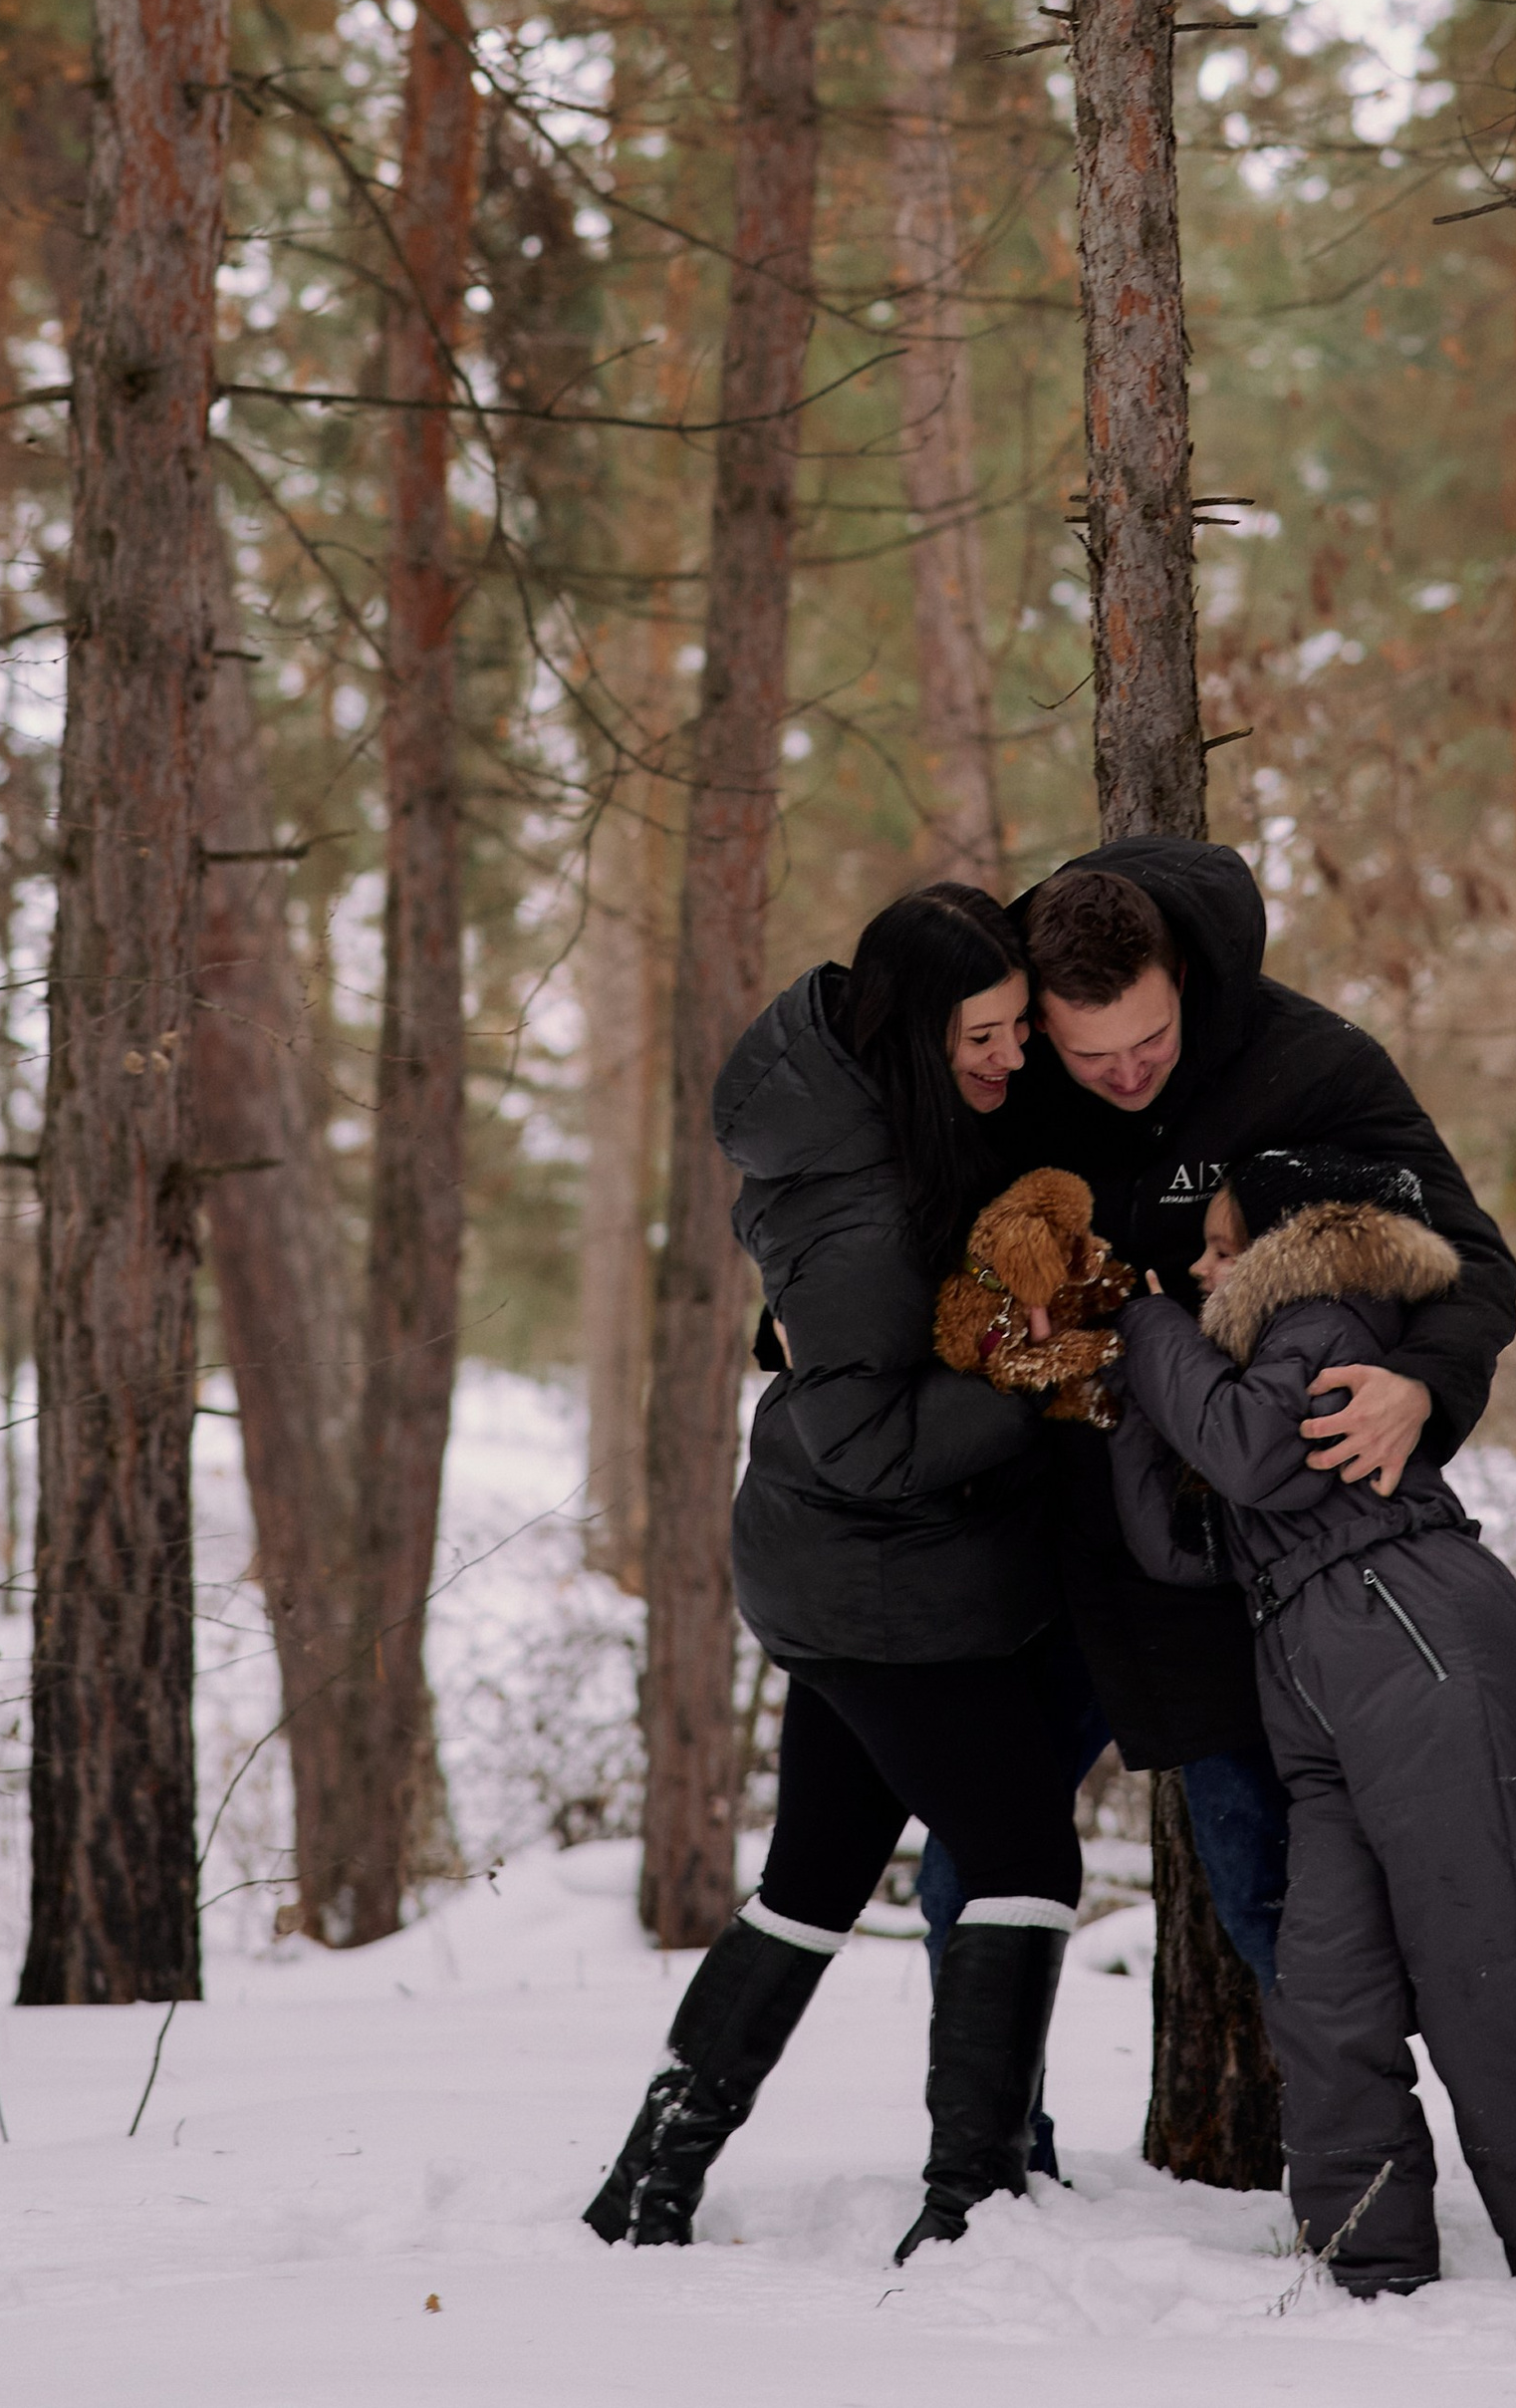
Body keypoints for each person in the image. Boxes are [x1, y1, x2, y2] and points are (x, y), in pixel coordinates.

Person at [586, 885, 1086, 2265]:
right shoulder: (865, 1193)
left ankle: (647, 2183)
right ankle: (971, 2204)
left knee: (816, 1868)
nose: (1011, 1058)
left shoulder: (888, 1128)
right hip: (876, 1574)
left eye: (1018, 1030)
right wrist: (1034, 1376)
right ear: (917, 1035)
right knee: (1028, 1849)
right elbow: (867, 1436)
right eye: (984, 1035)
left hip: (849, 1568)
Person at [944, 839, 1516, 1985]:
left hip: (1225, 1530)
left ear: (1185, 981)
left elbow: (1468, 1256)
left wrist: (1428, 1383)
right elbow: (898, 1232)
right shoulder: (1005, 1070)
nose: (1123, 1070)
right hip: (1045, 1526)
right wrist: (791, 1327)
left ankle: (1358, 2141)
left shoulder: (1310, 1061)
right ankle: (994, 2159)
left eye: (1148, 1040)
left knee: (1268, 1876)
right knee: (977, 1865)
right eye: (1089, 1049)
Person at [1114, 1145, 1516, 2296]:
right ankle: (1369, 2275)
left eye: (1217, 1245)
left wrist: (1151, 1337)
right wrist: (1133, 1396)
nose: (1200, 1269)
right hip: (1314, 1679)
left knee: (1476, 1973)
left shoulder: (1325, 1313)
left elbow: (1254, 1452)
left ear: (1282, 1242)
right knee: (1324, 1993)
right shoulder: (1251, 1358)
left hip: (1419, 1641)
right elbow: (1173, 1544)